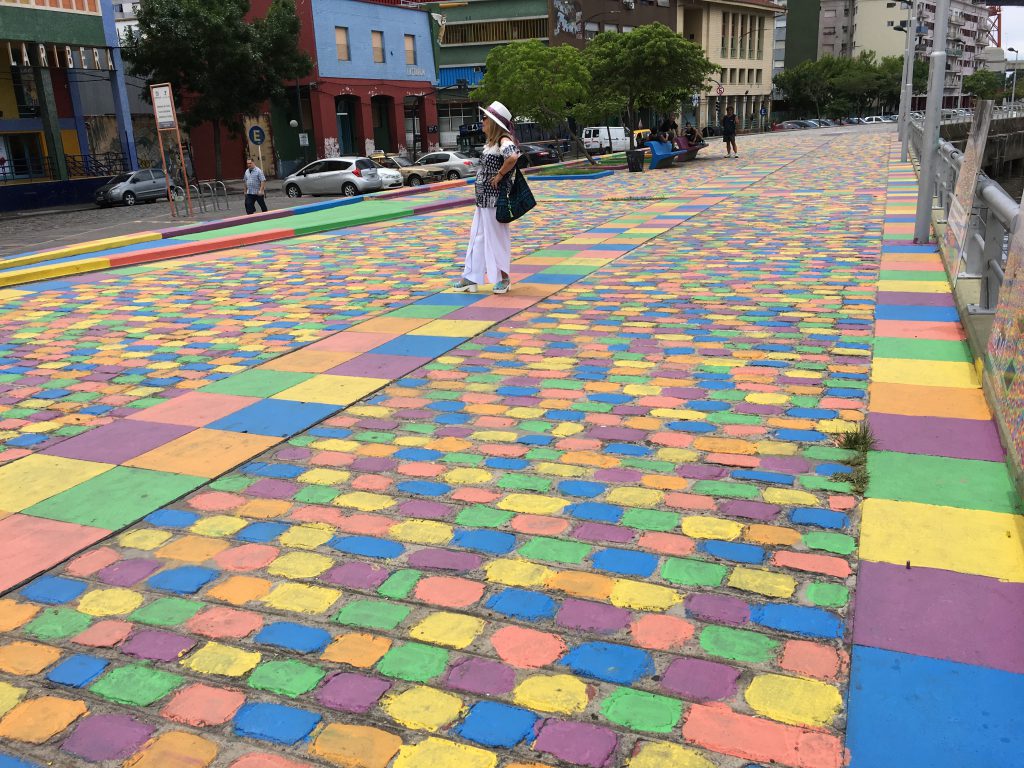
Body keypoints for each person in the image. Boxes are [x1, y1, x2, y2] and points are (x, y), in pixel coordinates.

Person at [453, 101, 521, 295]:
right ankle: (470, 277)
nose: (482, 121)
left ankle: (504, 278)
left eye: (485, 118)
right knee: (478, 238)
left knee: (496, 238)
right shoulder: (492, 143)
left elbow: (513, 156)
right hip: (483, 200)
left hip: (494, 200)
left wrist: (499, 175)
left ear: (494, 123)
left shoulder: (503, 141)